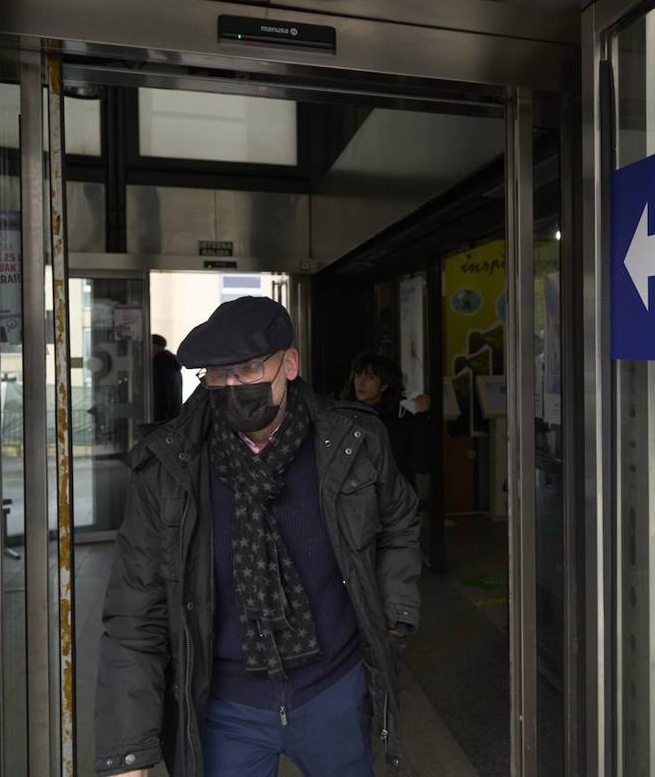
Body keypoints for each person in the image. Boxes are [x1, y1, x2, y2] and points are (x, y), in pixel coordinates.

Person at [95, 297, 420, 777]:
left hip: (334, 690)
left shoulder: (354, 443)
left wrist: (394, 614)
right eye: (218, 374)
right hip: (228, 707)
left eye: (248, 370)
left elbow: (398, 522)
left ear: (288, 364)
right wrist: (128, 750)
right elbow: (135, 611)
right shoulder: (168, 468)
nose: (232, 387)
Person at [342, 353, 431, 491]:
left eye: (369, 378)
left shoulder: (401, 417)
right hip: (356, 497)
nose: (360, 382)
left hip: (395, 497)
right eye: (358, 376)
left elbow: (420, 464)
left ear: (384, 385)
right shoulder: (344, 415)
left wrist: (421, 417)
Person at [150, 333, 183, 422]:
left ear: (153, 346)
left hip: (162, 419)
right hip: (174, 416)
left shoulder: (158, 365)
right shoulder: (173, 364)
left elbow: (161, 395)